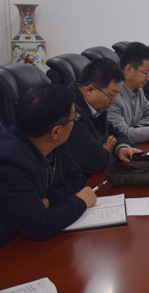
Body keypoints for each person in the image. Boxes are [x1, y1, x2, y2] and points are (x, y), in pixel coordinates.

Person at [0, 85, 97, 248]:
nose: (74, 122)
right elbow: (39, 225)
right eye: (74, 118)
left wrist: (49, 201)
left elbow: (77, 178)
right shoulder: (9, 163)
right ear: (56, 131)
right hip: (11, 247)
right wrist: (80, 202)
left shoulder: (52, 141)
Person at [67, 58, 141, 177]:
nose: (114, 101)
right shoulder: (70, 112)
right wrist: (106, 153)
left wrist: (120, 148)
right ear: (90, 90)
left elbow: (116, 133)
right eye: (111, 95)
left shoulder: (94, 105)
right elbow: (97, 161)